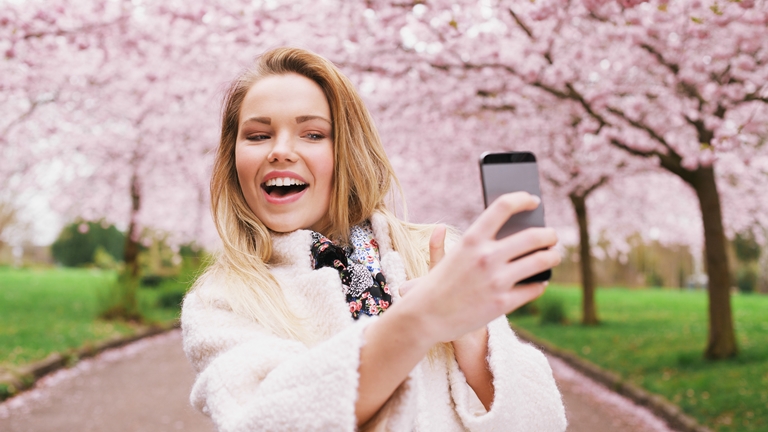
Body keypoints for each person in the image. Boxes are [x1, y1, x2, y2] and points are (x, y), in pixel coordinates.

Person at [181, 47, 567, 432]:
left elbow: (544, 424)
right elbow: (268, 421)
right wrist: (420, 321)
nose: (280, 151)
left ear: (347, 148)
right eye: (258, 135)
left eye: (313, 133)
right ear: (234, 158)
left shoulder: (434, 256)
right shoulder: (221, 301)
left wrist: (474, 343)